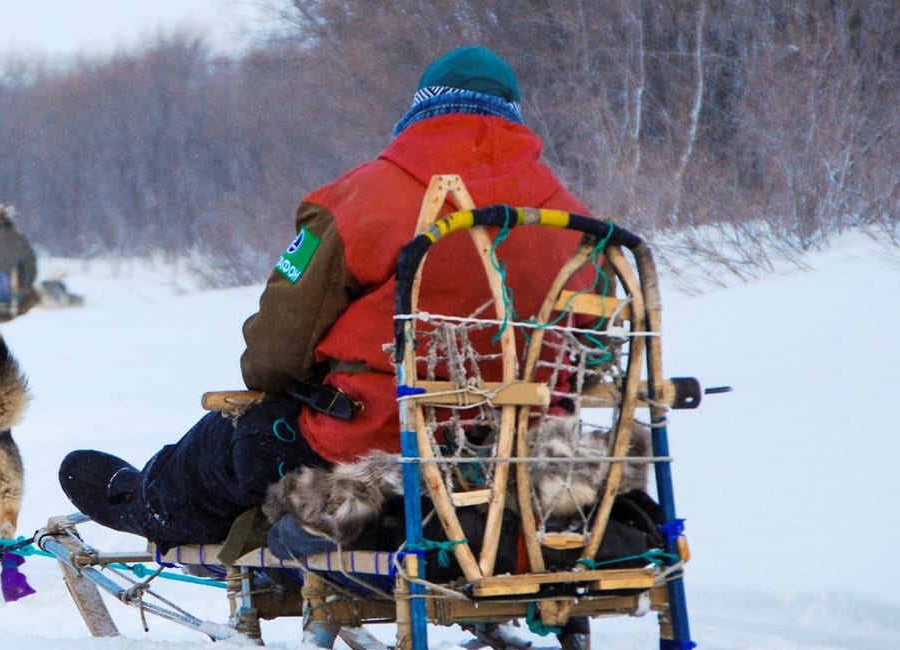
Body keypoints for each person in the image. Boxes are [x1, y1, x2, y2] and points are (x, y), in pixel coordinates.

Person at [59, 46, 592, 547]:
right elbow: (590, 355)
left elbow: (275, 352)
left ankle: (147, 501)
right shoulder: (576, 219)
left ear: (420, 114)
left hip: (380, 454)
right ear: (515, 118)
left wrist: (303, 389)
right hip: (527, 453)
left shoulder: (364, 197)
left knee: (240, 439)